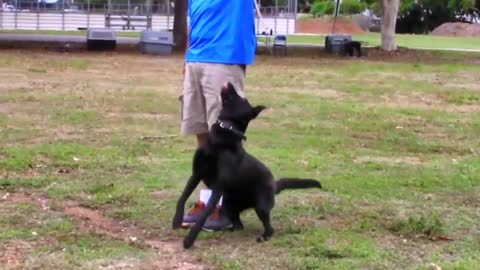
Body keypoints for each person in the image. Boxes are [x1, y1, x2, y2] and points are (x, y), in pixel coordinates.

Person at [179, 0, 257, 231]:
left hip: (224, 58)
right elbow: (193, 23)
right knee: (203, 135)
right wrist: (187, 58)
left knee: (224, 136)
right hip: (196, 58)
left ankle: (229, 206)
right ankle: (212, 200)